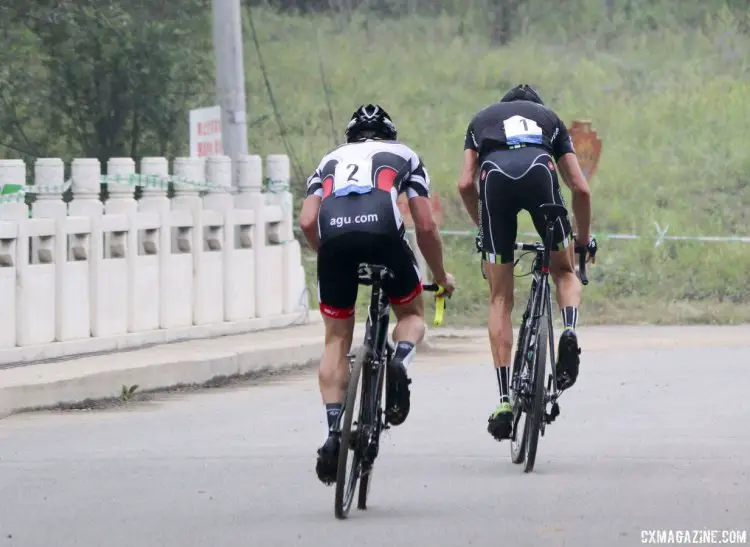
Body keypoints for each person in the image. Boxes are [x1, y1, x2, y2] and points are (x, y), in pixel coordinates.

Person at [299, 104, 456, 485]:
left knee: (336, 339)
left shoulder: (327, 161)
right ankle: (399, 361)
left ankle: (334, 432)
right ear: (389, 134)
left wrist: (331, 254)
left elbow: (306, 220)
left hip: (334, 240)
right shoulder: (405, 155)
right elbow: (424, 224)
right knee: (410, 315)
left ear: (351, 137)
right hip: (385, 235)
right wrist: (439, 275)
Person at [456, 84, 597, 442]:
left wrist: (484, 228)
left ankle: (504, 399)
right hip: (540, 171)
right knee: (564, 272)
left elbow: (463, 184)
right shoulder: (548, 119)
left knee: (500, 299)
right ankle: (568, 330)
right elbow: (580, 188)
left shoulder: (481, 120)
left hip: (494, 180)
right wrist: (581, 242)